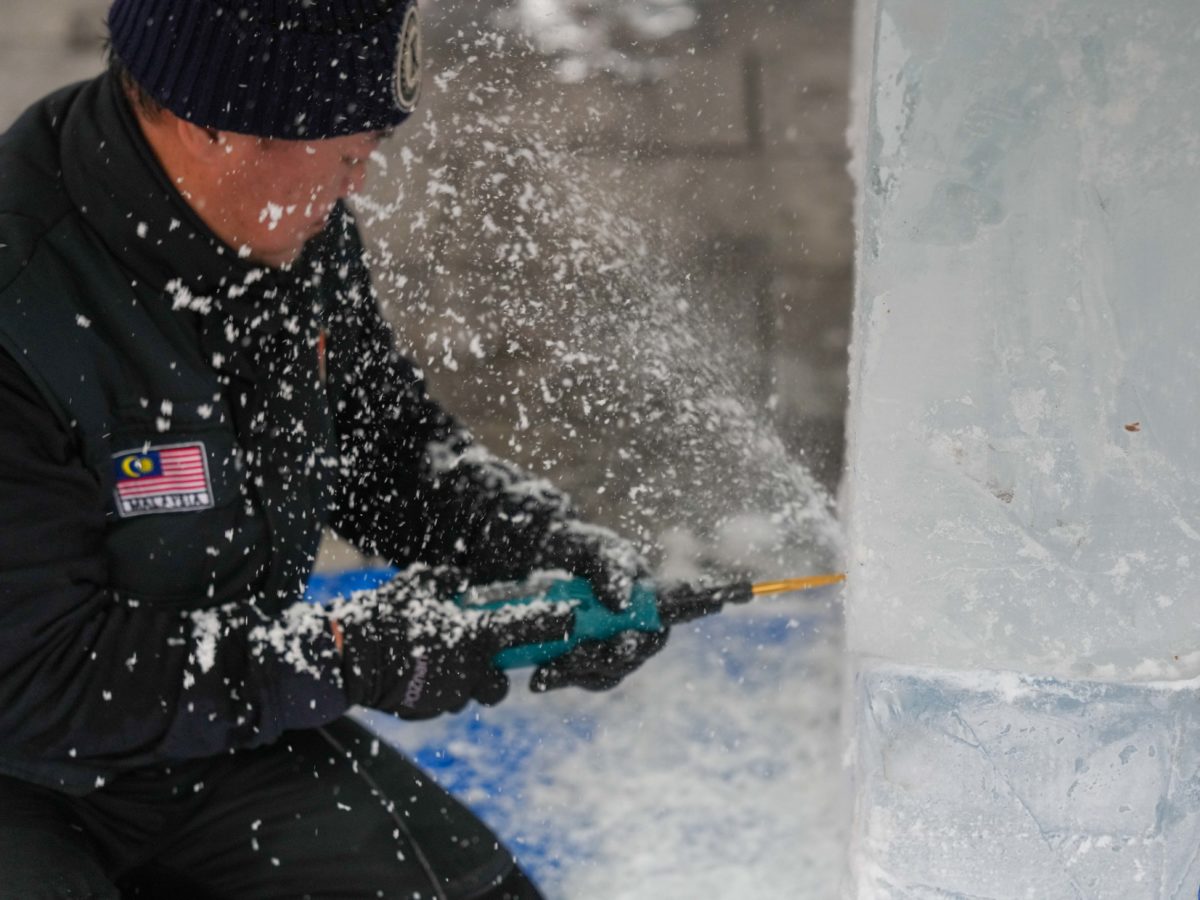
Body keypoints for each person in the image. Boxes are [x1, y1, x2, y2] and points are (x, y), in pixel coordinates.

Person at [0, 1, 674, 896]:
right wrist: (347, 651)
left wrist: (531, 543)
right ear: (222, 125)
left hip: (206, 730)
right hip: (27, 769)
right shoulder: (20, 301)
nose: (357, 182)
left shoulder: (285, 226)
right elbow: (34, 677)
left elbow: (379, 449)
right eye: (350, 152)